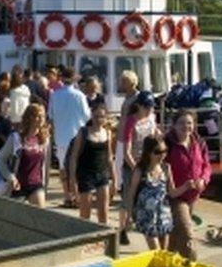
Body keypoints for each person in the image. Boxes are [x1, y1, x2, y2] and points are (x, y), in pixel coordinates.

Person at [165, 109, 212, 260]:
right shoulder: (167, 144)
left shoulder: (199, 142)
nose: (186, 126)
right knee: (187, 232)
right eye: (182, 123)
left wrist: (203, 179)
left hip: (193, 195)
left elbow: (206, 165)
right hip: (175, 196)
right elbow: (159, 165)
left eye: (190, 123)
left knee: (175, 233)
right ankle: (192, 266)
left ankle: (168, 261)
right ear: (174, 125)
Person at [117, 90, 159, 245]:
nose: (149, 110)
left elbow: (155, 135)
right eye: (146, 107)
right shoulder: (131, 122)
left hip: (148, 163)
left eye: (151, 107)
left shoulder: (151, 119)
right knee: (128, 198)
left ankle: (145, 223)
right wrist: (136, 169)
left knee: (147, 196)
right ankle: (122, 228)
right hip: (132, 165)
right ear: (139, 106)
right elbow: (126, 151)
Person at [125, 136, 179, 250]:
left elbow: (172, 192)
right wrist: (128, 216)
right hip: (147, 217)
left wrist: (187, 186)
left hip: (163, 215)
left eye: (165, 151)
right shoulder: (140, 170)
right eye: (157, 152)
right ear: (148, 152)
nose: (162, 155)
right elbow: (131, 194)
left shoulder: (166, 167)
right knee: (156, 251)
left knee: (164, 252)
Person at [48, 67, 91, 208]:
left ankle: (67, 196)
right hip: (77, 136)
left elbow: (51, 116)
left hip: (61, 136)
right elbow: (87, 116)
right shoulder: (80, 96)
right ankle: (77, 196)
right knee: (77, 167)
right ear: (74, 80)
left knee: (63, 167)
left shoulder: (54, 95)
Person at [68, 104, 115, 225]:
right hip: (85, 174)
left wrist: (114, 178)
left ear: (106, 118)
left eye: (102, 117)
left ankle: (104, 241)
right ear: (91, 116)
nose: (99, 119)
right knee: (85, 213)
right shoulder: (83, 132)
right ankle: (84, 239)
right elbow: (74, 157)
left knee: (104, 212)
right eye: (96, 116)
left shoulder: (108, 133)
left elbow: (109, 157)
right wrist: (73, 179)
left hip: (102, 174)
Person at [0, 103, 50, 207]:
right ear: (30, 118)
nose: (41, 119)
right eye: (38, 116)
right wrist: (10, 177)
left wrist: (45, 185)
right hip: (18, 185)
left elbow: (46, 165)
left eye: (43, 116)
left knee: (40, 218)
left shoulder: (45, 140)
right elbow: (1, 160)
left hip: (36, 185)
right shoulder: (16, 138)